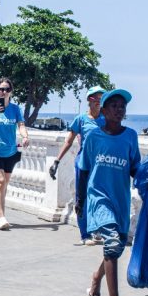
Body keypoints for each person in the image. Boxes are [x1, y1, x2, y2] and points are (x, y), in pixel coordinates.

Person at [77, 89, 140, 296]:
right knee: (112, 242)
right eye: (113, 105)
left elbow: (134, 168)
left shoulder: (130, 136)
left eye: (122, 106)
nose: (118, 109)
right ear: (103, 110)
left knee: (117, 246)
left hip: (120, 199)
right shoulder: (94, 137)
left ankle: (96, 278)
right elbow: (84, 170)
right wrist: (80, 200)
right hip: (99, 197)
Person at [50, 85, 106, 245]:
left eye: (102, 99)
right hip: (83, 164)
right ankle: (85, 234)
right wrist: (56, 161)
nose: (100, 102)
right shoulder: (81, 119)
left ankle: (97, 230)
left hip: (101, 166)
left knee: (99, 198)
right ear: (90, 99)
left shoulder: (106, 119)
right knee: (81, 199)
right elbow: (68, 141)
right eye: (98, 98)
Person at [0, 76, 29, 230]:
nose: (3, 92)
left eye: (7, 89)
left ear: (10, 92)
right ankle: (2, 218)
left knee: (4, 184)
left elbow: (21, 125)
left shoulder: (15, 109)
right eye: (1, 89)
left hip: (10, 152)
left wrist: (25, 136)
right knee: (0, 181)